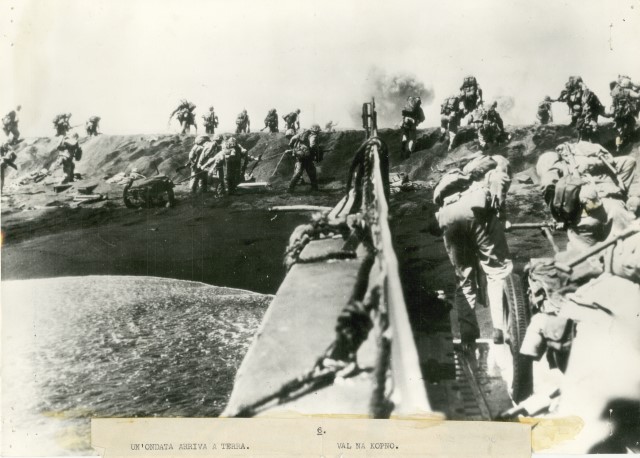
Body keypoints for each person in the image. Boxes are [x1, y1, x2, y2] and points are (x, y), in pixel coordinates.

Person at [433, 150, 513, 344]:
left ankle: (468, 333)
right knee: (497, 270)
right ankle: (500, 328)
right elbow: (501, 181)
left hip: (447, 216)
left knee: (464, 278)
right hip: (475, 211)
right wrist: (502, 216)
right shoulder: (496, 166)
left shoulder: (459, 180)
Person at [536, 141, 636, 252]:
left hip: (586, 217)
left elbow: (547, 185)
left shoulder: (556, 168)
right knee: (626, 250)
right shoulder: (595, 166)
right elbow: (629, 161)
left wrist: (558, 218)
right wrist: (620, 194)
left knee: (582, 258)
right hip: (616, 209)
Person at [607, 80, 640, 152]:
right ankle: (629, 139)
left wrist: (611, 112)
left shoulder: (615, 93)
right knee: (632, 124)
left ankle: (618, 146)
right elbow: (637, 96)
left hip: (618, 115)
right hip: (627, 114)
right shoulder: (628, 91)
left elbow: (613, 104)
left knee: (619, 131)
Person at [287, 125, 321, 192]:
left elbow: (292, 139)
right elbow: (312, 145)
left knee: (298, 173)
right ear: (316, 130)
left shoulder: (302, 134)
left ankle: (290, 188)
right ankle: (314, 188)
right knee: (312, 172)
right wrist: (317, 150)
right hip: (307, 157)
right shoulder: (313, 136)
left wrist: (292, 147)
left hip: (300, 156)